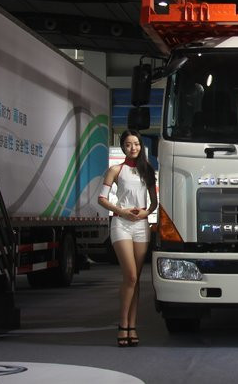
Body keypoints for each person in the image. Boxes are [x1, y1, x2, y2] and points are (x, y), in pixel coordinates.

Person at [98, 129, 157, 347]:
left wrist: (146, 212)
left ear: (141, 146)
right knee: (130, 276)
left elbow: (154, 202)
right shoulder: (115, 170)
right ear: (123, 146)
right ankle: (123, 325)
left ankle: (132, 327)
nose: (133, 148)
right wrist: (121, 211)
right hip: (121, 224)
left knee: (136, 279)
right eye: (129, 144)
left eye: (137, 144)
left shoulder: (147, 170)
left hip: (141, 225)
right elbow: (102, 198)